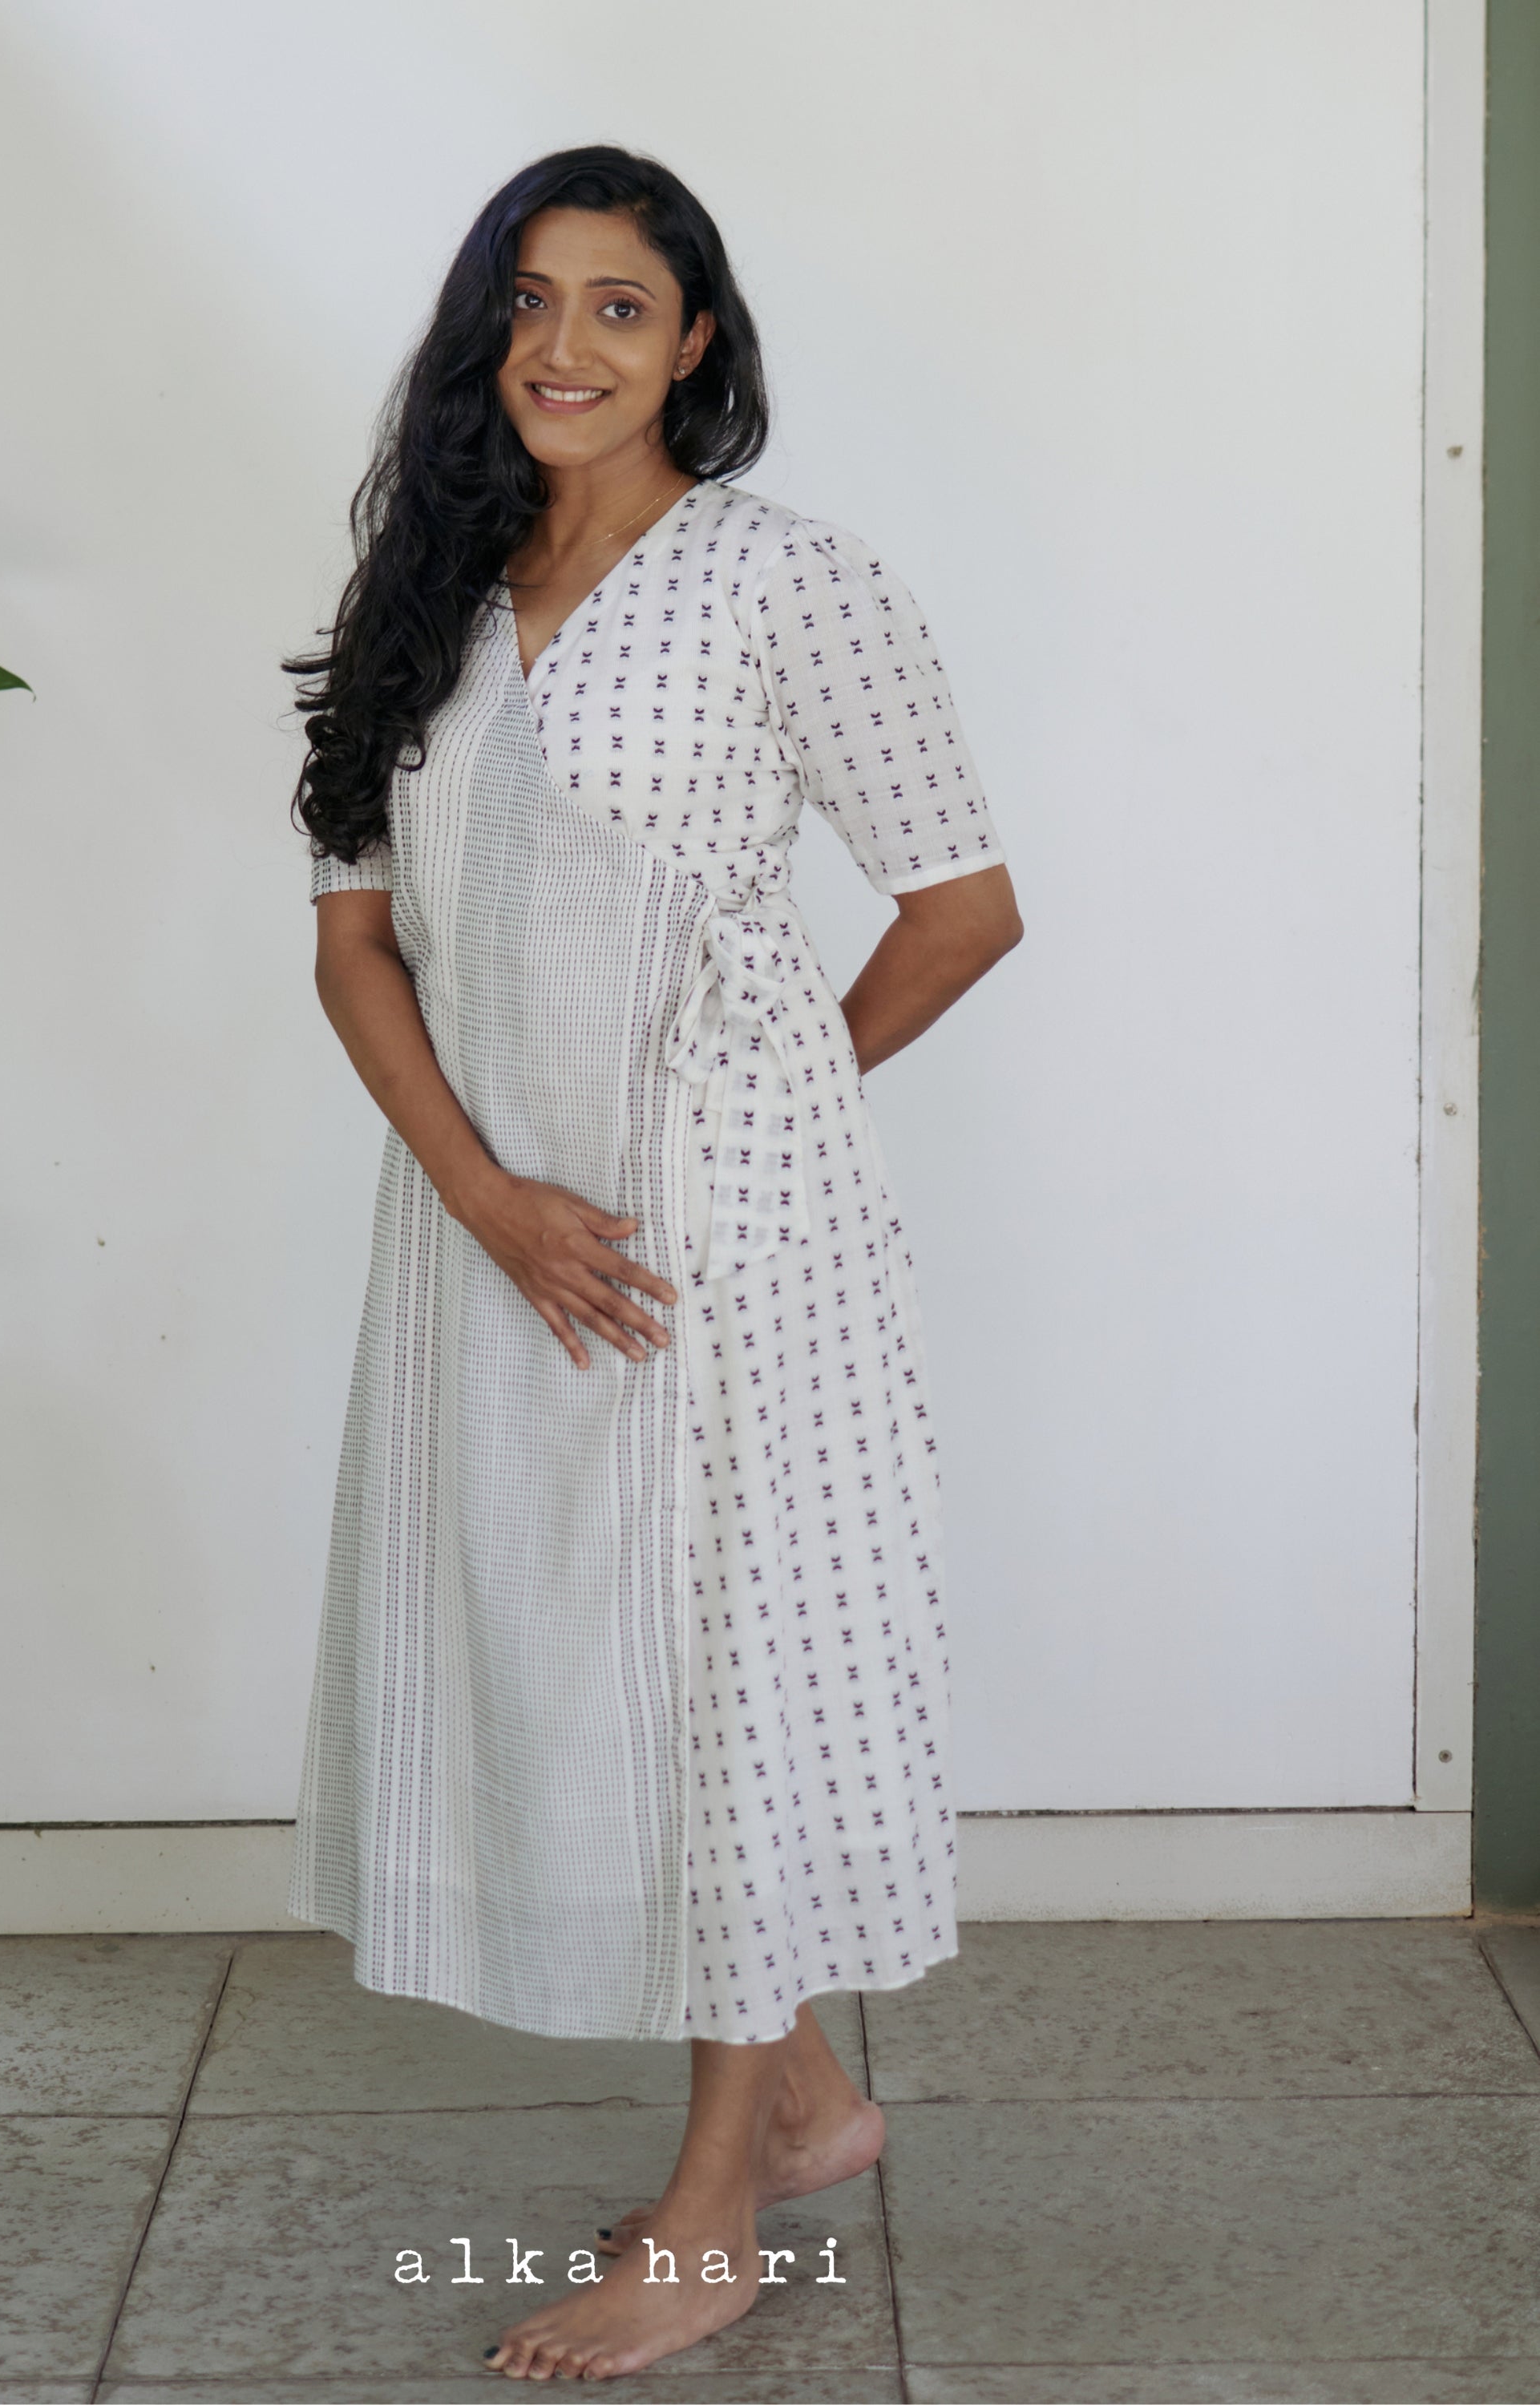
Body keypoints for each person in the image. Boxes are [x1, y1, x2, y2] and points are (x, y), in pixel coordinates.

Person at [283, 143, 1022, 2383]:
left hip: (725, 1250)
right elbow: (353, 946)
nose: (566, 346)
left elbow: (963, 905)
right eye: (530, 299)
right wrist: (487, 1195)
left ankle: (710, 2219)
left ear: (694, 340)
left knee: (721, 1679)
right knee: (565, 1657)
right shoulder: (424, 593)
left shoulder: (788, 582)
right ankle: (800, 2105)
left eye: (619, 305)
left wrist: (766, 1109)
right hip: (486, 1232)